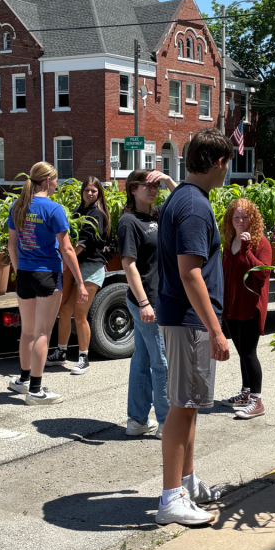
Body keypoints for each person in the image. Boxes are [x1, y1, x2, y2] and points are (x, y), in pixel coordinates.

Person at [154, 128, 234, 526]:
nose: (227, 175)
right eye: (227, 166)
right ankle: (171, 498)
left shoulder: (183, 198)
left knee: (190, 407)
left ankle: (186, 482)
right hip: (189, 321)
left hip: (185, 320)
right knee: (183, 407)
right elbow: (191, 274)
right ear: (218, 162)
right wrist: (216, 330)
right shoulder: (195, 206)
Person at [5, 162, 87, 405]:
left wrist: (20, 270)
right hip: (47, 275)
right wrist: (80, 282)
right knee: (43, 332)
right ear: (49, 180)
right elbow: (67, 248)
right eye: (56, 180)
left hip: (25, 275)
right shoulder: (53, 209)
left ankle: (23, 381)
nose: (57, 184)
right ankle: (36, 390)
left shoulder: (17, 206)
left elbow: (12, 244)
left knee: (28, 331)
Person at [118, 169, 178, 438]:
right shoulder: (129, 222)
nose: (153, 190)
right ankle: (167, 422)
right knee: (161, 361)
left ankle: (137, 420)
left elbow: (184, 202)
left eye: (156, 186)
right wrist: (144, 303)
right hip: (146, 300)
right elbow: (128, 265)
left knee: (142, 359)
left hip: (157, 298)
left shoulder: (156, 215)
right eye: (147, 185)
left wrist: (167, 179)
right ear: (133, 189)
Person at [49, 177, 109, 375]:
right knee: (65, 310)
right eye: (87, 190)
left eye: (94, 191)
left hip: (90, 267)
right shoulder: (77, 212)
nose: (90, 194)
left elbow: (82, 244)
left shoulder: (96, 214)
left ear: (99, 193)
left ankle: (84, 357)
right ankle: (61, 352)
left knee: (80, 314)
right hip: (77, 266)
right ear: (82, 192)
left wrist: (66, 259)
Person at [219, 198, 271, 419]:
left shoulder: (261, 243)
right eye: (236, 217)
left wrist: (247, 249)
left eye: (245, 216)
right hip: (232, 307)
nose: (240, 220)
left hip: (250, 307)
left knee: (249, 354)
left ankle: (257, 400)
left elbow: (262, 274)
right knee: (241, 353)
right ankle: (246, 392)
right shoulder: (229, 241)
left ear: (253, 219)